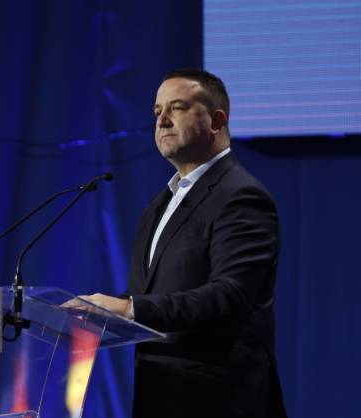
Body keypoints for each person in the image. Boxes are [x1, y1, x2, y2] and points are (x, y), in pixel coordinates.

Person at [79, 69, 287, 417]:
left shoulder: (242, 196)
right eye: (157, 111)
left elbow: (230, 296)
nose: (162, 120)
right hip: (161, 395)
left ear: (216, 121)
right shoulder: (160, 204)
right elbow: (153, 294)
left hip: (220, 400)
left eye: (177, 108)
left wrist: (129, 308)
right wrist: (97, 312)